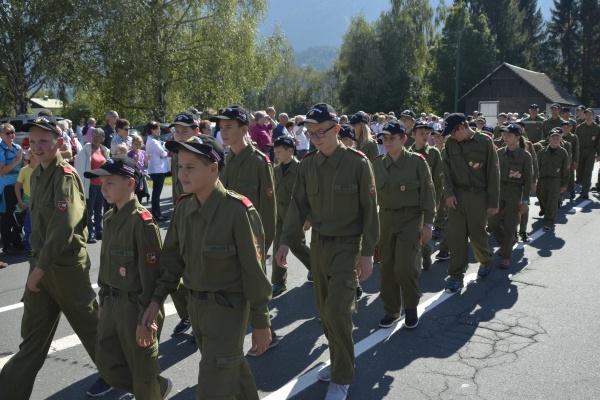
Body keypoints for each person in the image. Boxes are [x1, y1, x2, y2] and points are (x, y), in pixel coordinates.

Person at [141, 135, 272, 400]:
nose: (181, 174)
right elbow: (172, 263)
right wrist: (155, 301)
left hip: (227, 311)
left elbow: (254, 274)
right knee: (233, 373)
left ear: (213, 169)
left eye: (191, 167)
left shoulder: (237, 211)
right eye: (179, 166)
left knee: (211, 388)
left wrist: (261, 322)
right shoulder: (184, 208)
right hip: (196, 308)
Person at [0, 115, 112, 398]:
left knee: (92, 330)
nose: (36, 147)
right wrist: (37, 267)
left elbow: (63, 226)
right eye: (32, 141)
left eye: (44, 142)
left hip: (64, 267)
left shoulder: (66, 177)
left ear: (60, 143)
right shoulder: (36, 174)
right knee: (32, 339)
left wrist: (40, 268)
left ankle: (131, 379)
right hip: (40, 264)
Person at [275, 103, 379, 400]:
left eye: (321, 132)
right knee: (324, 311)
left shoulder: (358, 163)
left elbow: (370, 211)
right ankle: (337, 360)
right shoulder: (308, 164)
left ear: (336, 129)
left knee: (338, 312)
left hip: (348, 246)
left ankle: (342, 377)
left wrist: (367, 252)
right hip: (319, 244)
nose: (316, 138)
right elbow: (298, 206)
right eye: (311, 133)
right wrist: (284, 240)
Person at [84, 156, 172, 399]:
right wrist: (103, 302)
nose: (104, 188)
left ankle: (150, 390)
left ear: (131, 184)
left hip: (137, 306)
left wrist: (145, 320)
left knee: (142, 369)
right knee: (106, 363)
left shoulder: (142, 223)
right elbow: (106, 267)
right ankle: (156, 388)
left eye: (110, 183)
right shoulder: (110, 218)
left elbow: (152, 277)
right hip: (112, 303)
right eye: (102, 183)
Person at [210, 105, 278, 355]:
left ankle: (266, 333)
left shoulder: (260, 162)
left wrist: (264, 246)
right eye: (221, 127)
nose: (223, 132)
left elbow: (269, 213)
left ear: (244, 129)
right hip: (227, 240)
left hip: (251, 242)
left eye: (229, 127)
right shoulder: (224, 161)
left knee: (253, 289)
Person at [373, 120, 435, 330]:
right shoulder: (378, 164)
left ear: (403, 139)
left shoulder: (417, 162)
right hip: (386, 220)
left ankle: (410, 307)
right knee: (387, 267)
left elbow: (428, 195)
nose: (388, 142)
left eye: (392, 138)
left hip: (411, 219)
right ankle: (391, 311)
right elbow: (370, 198)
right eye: (384, 138)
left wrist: (428, 224)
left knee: (405, 268)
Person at [441, 113, 499, 293]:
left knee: (477, 234)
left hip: (477, 196)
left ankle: (485, 259)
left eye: (453, 132)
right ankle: (456, 275)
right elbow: (446, 171)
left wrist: (493, 202)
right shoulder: (450, 144)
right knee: (456, 236)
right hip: (456, 195)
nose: (451, 136)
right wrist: (448, 194)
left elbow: (493, 174)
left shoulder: (485, 142)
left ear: (462, 128)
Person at [167, 111, 199, 336]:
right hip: (181, 220)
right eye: (177, 132)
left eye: (184, 131)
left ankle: (197, 319)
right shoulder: (176, 157)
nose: (179, 135)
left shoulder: (206, 156)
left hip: (201, 224)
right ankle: (188, 315)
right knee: (168, 270)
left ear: (196, 132)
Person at [267, 135, 312, 296]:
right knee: (279, 245)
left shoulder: (301, 168)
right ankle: (278, 282)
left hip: (295, 215)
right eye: (275, 151)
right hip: (279, 213)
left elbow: (308, 195)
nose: (276, 154)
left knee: (297, 246)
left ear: (290, 151)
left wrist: (308, 218)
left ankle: (315, 266)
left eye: (279, 151)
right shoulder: (276, 169)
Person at [488, 124, 532, 269]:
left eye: (509, 135)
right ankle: (506, 243)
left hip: (515, 192)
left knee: (510, 225)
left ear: (518, 137)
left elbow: (527, 181)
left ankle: (506, 256)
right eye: (504, 135)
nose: (505, 137)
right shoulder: (499, 152)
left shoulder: (525, 156)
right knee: (493, 222)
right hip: (499, 191)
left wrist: (525, 202)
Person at [409, 121, 443, 270]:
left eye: (427, 133)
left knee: (422, 231)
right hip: (410, 199)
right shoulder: (407, 152)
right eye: (421, 133)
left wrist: (436, 200)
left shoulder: (434, 153)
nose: (425, 136)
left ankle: (425, 252)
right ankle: (413, 261)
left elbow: (438, 179)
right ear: (413, 134)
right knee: (411, 233)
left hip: (427, 199)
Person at [74, 128, 110, 244]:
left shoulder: (105, 150)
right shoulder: (86, 150)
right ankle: (90, 233)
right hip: (90, 185)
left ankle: (99, 231)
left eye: (98, 136)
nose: (95, 138)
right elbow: (79, 164)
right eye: (93, 135)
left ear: (102, 139)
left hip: (101, 185)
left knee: (99, 210)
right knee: (89, 212)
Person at [537, 128, 569, 231]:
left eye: (557, 138)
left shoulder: (563, 152)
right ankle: (544, 210)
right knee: (541, 197)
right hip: (542, 179)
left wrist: (564, 184)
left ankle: (548, 222)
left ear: (560, 139)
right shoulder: (542, 151)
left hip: (555, 180)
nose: (555, 140)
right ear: (548, 139)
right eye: (553, 138)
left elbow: (565, 170)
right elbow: (537, 166)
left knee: (552, 201)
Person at [0, 123, 25, 255]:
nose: (11, 135)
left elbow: (25, 164)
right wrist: (17, 160)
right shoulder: (0, 149)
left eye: (13, 132)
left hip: (20, 186)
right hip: (7, 187)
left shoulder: (17, 147)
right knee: (7, 217)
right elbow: (2, 171)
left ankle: (17, 241)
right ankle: (7, 244)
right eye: (7, 133)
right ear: (1, 134)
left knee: (20, 215)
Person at [15, 151, 39, 256]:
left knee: (39, 225)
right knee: (29, 225)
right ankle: (29, 247)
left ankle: (37, 246)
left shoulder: (41, 169)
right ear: (32, 158)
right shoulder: (24, 170)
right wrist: (20, 201)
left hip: (40, 201)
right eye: (37, 157)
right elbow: (17, 186)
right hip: (28, 202)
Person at [145, 121, 169, 220]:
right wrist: (165, 152)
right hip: (157, 170)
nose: (159, 130)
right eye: (157, 129)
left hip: (157, 169)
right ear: (152, 130)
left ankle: (157, 213)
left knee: (156, 192)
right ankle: (156, 214)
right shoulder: (153, 141)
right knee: (157, 193)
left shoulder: (153, 140)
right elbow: (164, 153)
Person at [574, 108, 600, 199]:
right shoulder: (579, 127)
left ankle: (585, 192)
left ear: (593, 116)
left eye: (590, 115)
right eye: (586, 115)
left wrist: (598, 154)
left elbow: (598, 142)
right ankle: (583, 185)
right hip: (580, 151)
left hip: (591, 151)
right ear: (584, 116)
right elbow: (575, 141)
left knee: (588, 171)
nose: (588, 117)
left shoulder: (597, 128)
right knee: (580, 171)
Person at [127, 135, 150, 203]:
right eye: (136, 144)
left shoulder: (143, 152)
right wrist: (136, 158)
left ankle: (139, 205)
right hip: (134, 176)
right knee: (135, 193)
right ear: (132, 144)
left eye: (139, 144)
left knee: (141, 193)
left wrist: (146, 161)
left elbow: (145, 166)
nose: (138, 146)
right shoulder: (130, 154)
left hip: (141, 176)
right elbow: (133, 166)